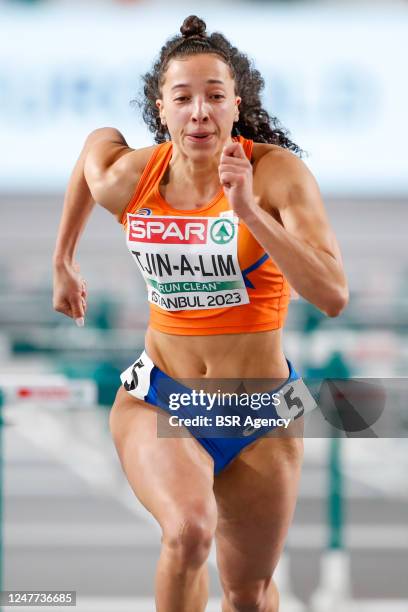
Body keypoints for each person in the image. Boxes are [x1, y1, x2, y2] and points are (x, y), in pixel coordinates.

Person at [53, 15, 348, 612]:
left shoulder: (275, 176)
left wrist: (251, 215)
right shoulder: (135, 177)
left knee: (249, 593)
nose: (199, 112)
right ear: (161, 109)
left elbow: (332, 294)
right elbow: (94, 148)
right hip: (162, 398)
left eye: (214, 96)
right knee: (188, 532)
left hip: (266, 408)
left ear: (236, 105)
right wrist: (63, 258)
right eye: (183, 98)